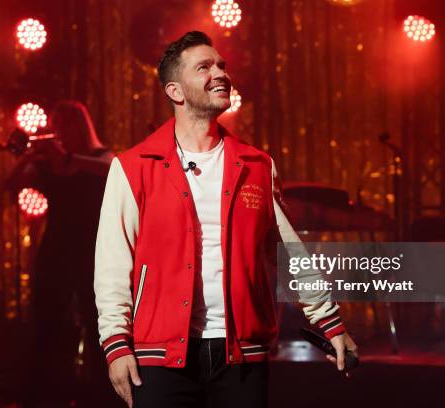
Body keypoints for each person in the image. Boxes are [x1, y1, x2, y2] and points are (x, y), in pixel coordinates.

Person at [94, 31, 358, 408]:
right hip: (159, 357)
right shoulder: (133, 168)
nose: (219, 73)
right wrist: (116, 346)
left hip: (241, 356)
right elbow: (112, 266)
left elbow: (290, 256)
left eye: (221, 65)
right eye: (204, 67)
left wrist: (330, 324)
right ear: (175, 91)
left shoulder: (256, 166)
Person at [4, 100, 115, 406]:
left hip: (93, 251)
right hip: (56, 249)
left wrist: (66, 157)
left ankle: (103, 396)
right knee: (47, 325)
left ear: (81, 125)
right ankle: (39, 395)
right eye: (57, 125)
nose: (60, 131)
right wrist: (27, 157)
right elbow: (11, 186)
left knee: (98, 326)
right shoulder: (49, 161)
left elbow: (113, 170)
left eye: (66, 124)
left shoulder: (98, 156)